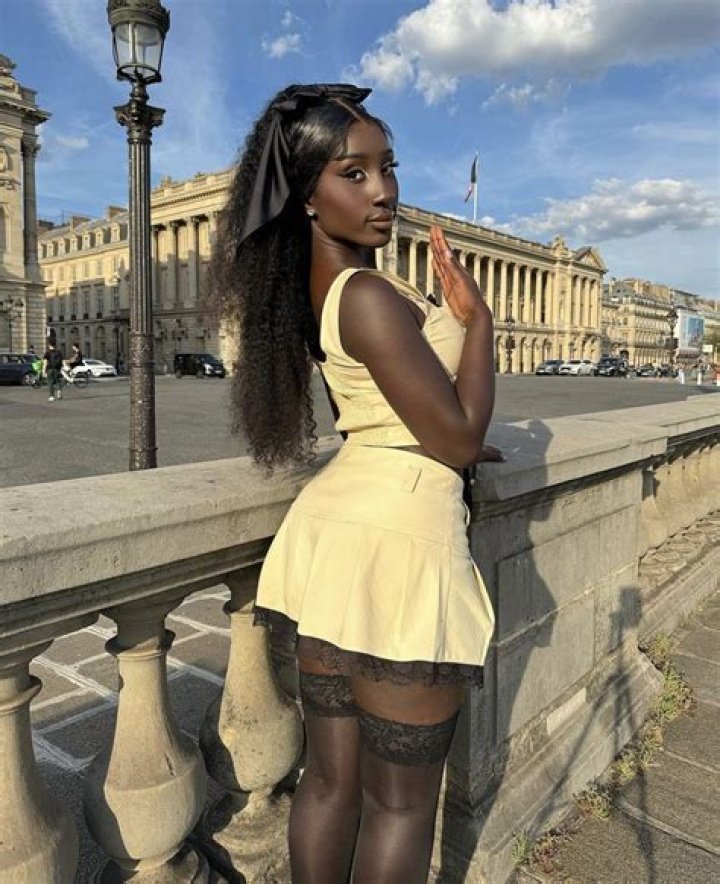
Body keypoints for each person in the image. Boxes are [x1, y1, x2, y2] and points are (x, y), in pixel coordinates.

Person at [207, 83, 502, 883]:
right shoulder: (367, 293)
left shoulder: (329, 288)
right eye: (354, 173)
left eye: (387, 167)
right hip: (399, 539)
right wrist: (479, 325)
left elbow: (378, 412)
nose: (383, 191)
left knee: (330, 781)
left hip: (341, 532)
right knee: (400, 804)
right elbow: (456, 438)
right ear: (307, 195)